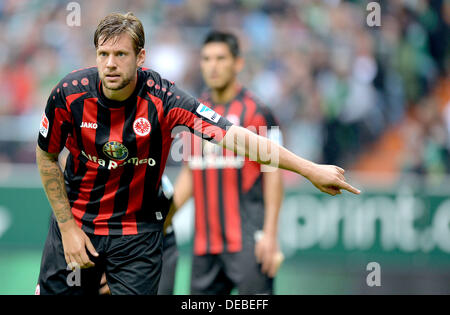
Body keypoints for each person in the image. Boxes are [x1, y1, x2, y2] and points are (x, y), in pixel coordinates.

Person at [36, 12, 360, 295]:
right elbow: (47, 156)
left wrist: (309, 169)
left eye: (120, 54)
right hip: (77, 226)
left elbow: (240, 139)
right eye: (103, 54)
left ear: (141, 57)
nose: (110, 63)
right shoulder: (69, 94)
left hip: (137, 238)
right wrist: (67, 229)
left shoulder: (167, 98)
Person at [162, 31, 284, 294]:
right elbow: (190, 174)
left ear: (238, 63)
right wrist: (163, 217)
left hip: (248, 241)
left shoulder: (258, 111)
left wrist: (271, 235)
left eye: (220, 58)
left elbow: (273, 173)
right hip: (204, 245)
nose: (213, 66)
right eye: (206, 59)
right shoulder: (194, 112)